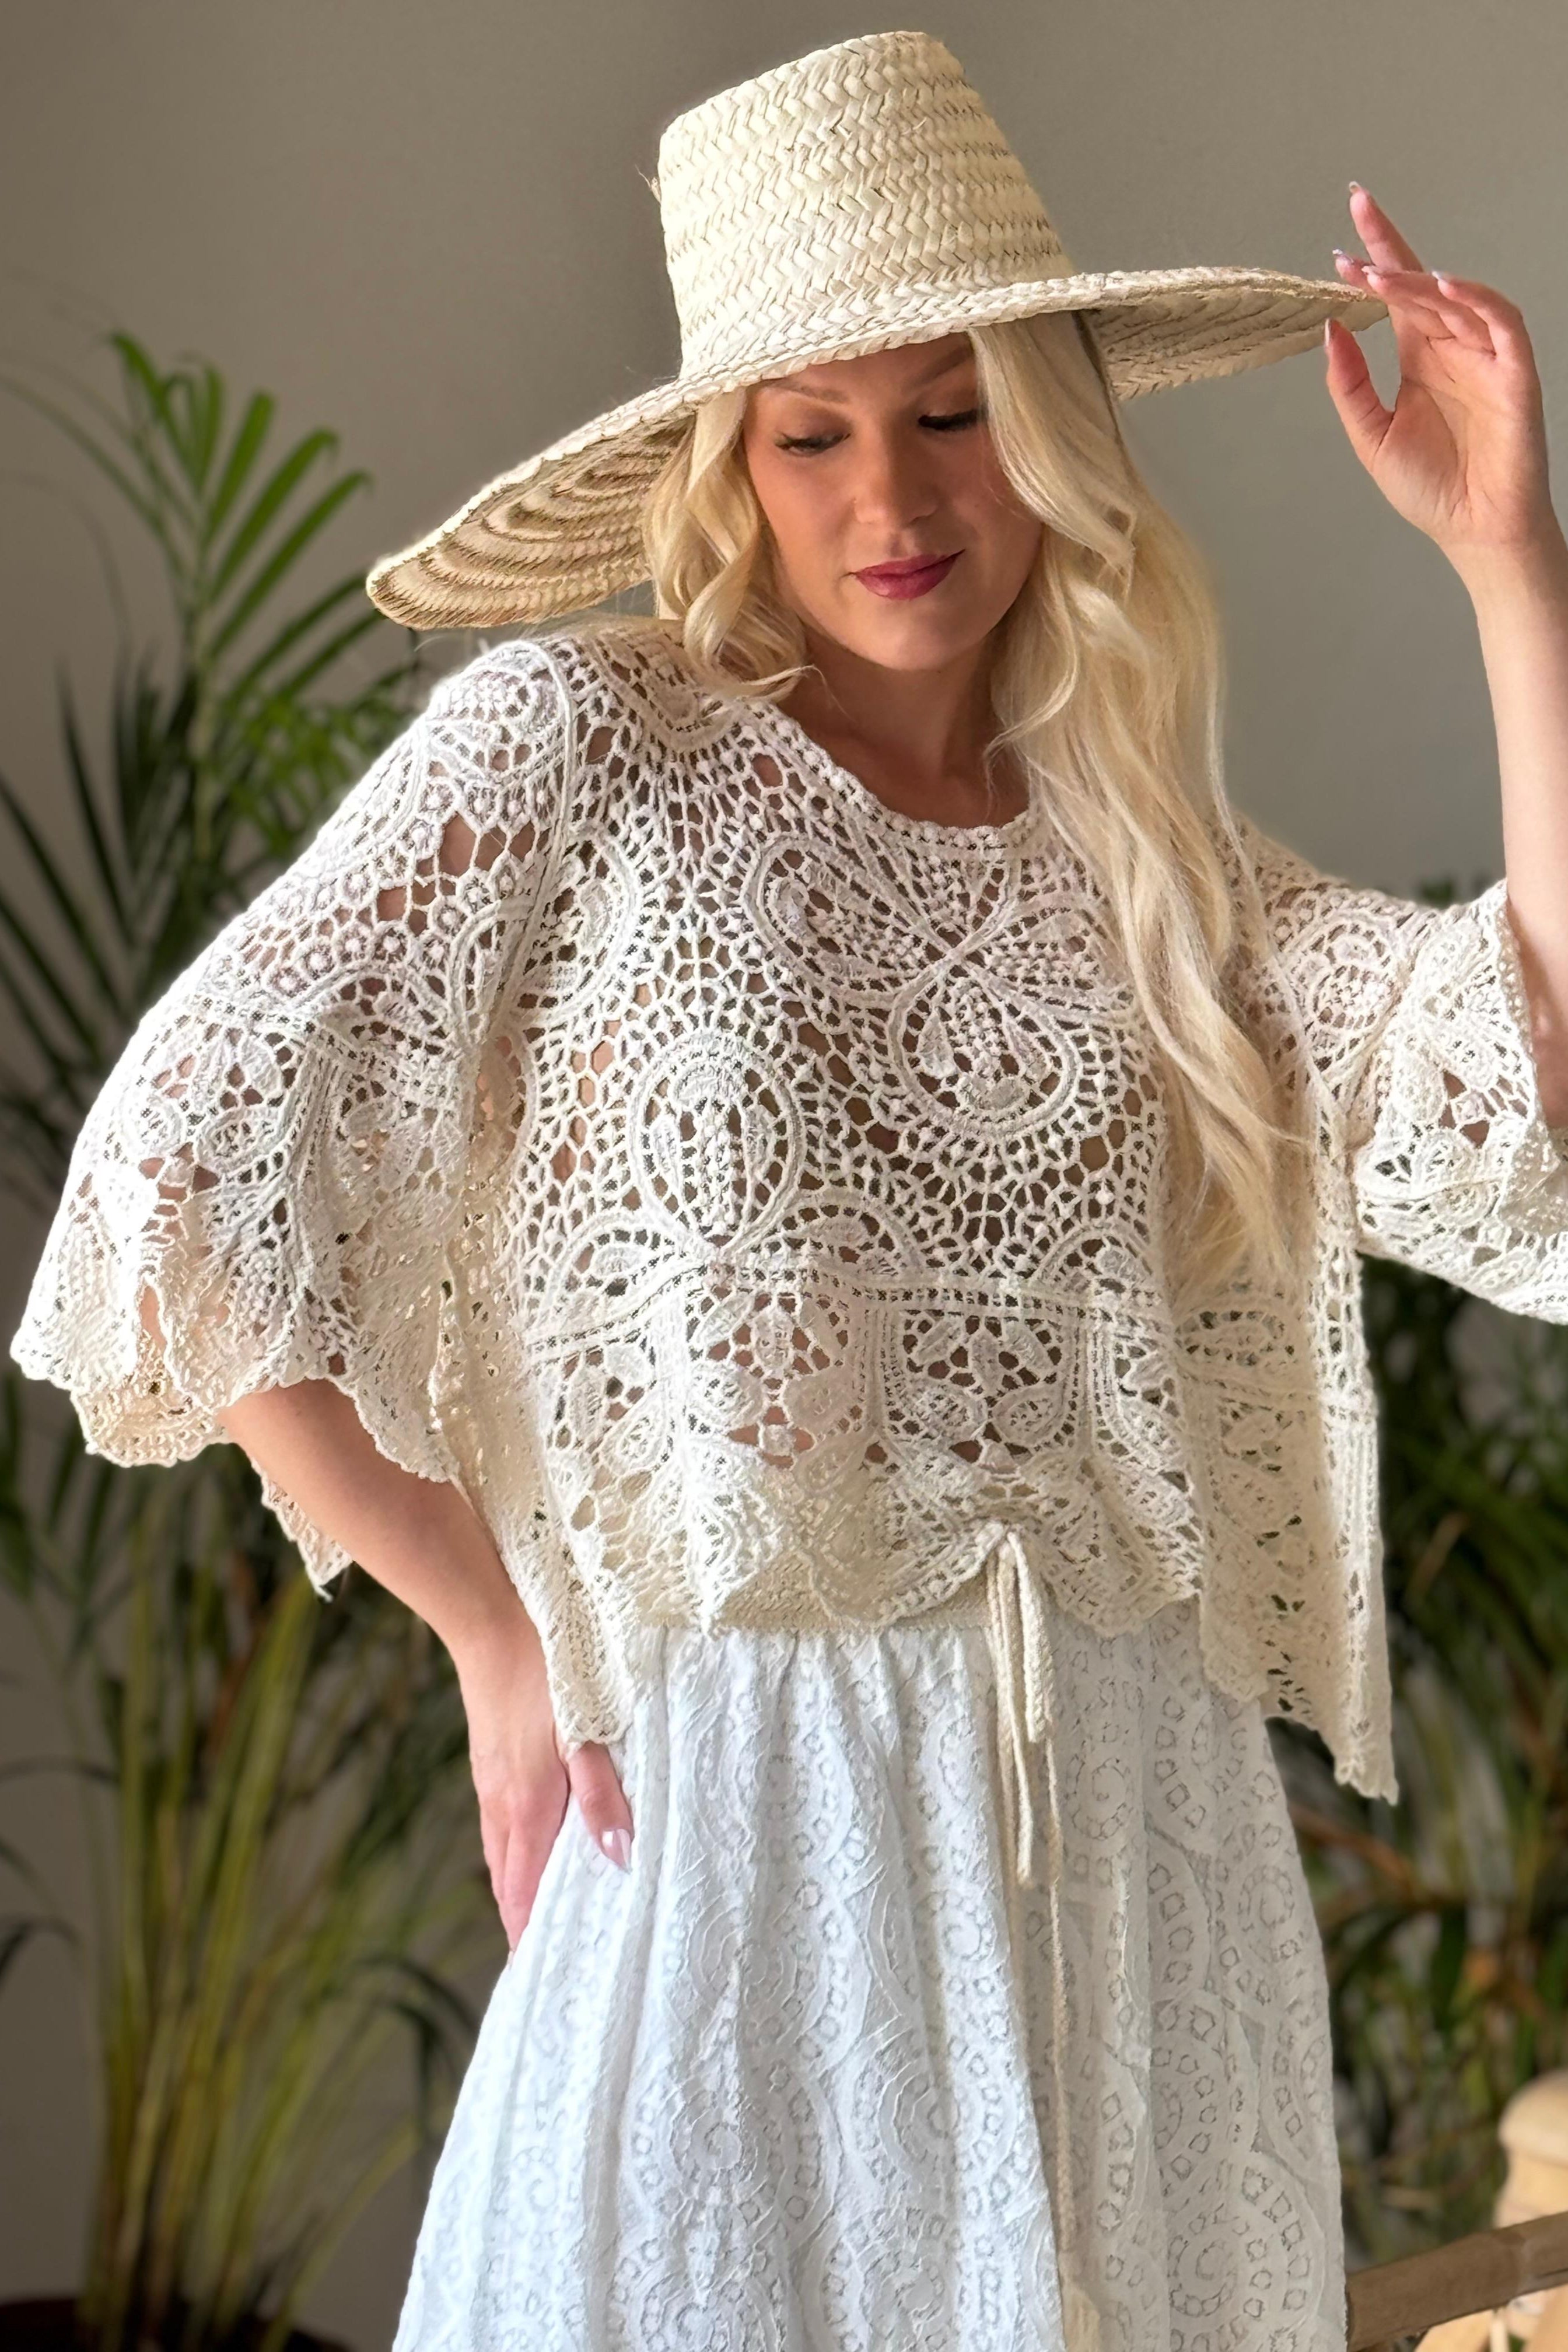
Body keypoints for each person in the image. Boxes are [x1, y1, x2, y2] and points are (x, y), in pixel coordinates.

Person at [12, 28, 1568, 2352]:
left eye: (952, 412)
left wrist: (1510, 564)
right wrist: (492, 1633)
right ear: (732, 467)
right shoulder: (583, 747)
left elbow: (1532, 1072)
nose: (893, 497)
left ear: (1051, 431)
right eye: (811, 434)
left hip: (1136, 1875)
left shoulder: (1158, 872)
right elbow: (170, 1183)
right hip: (756, 1853)